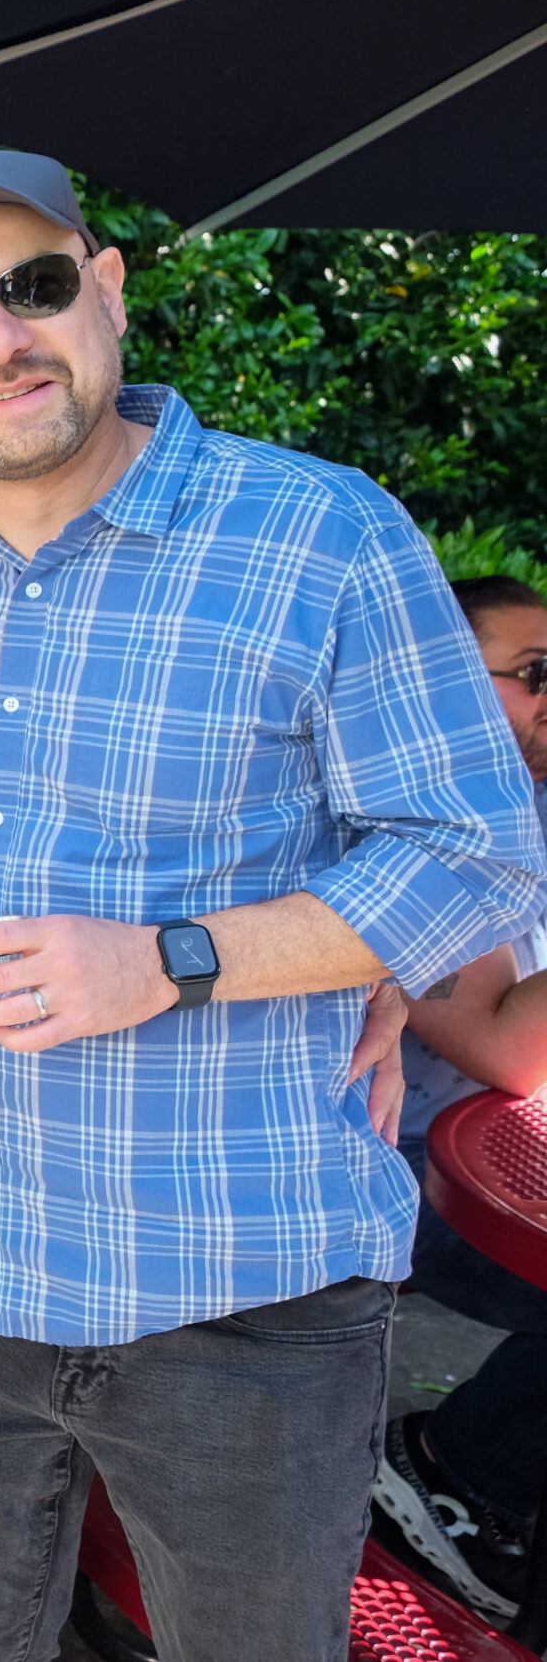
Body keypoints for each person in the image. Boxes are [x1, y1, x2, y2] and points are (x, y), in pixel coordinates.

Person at [0, 149, 547, 1662]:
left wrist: (177, 958)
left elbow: (476, 850)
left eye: (33, 286)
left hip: (240, 1292)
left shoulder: (320, 534)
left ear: (105, 290)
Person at [374, 573, 547, 1620]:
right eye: (534, 672)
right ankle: (452, 1471)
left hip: (517, 1160)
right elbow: (502, 1045)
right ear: (446, 678)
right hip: (409, 1169)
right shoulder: (423, 828)